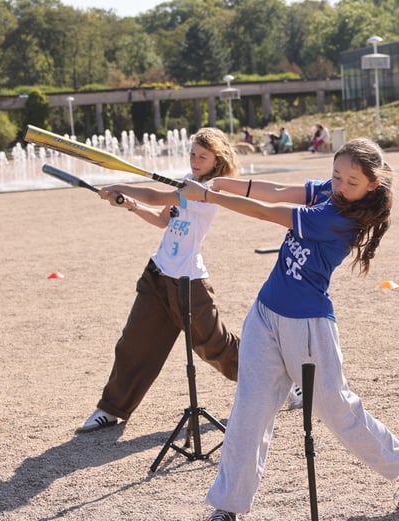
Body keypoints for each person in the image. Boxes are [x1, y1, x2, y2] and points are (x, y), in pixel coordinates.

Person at [179, 137, 399, 521]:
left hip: (308, 326)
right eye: (336, 175)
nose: (339, 185)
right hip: (265, 313)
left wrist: (211, 197)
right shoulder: (329, 192)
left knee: (338, 411)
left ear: (373, 185)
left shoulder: (342, 218)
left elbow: (273, 212)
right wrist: (228, 185)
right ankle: (227, 507)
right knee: (249, 410)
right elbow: (279, 191)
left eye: (351, 181)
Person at [76, 127, 303, 434]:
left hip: (189, 283)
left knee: (217, 347)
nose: (196, 161)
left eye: (203, 157)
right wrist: (130, 204)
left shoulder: (209, 192)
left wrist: (122, 186)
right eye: (193, 155)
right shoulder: (189, 181)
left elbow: (158, 195)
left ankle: (281, 378)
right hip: (158, 275)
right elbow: (162, 217)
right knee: (133, 343)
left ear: (216, 160)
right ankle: (111, 409)